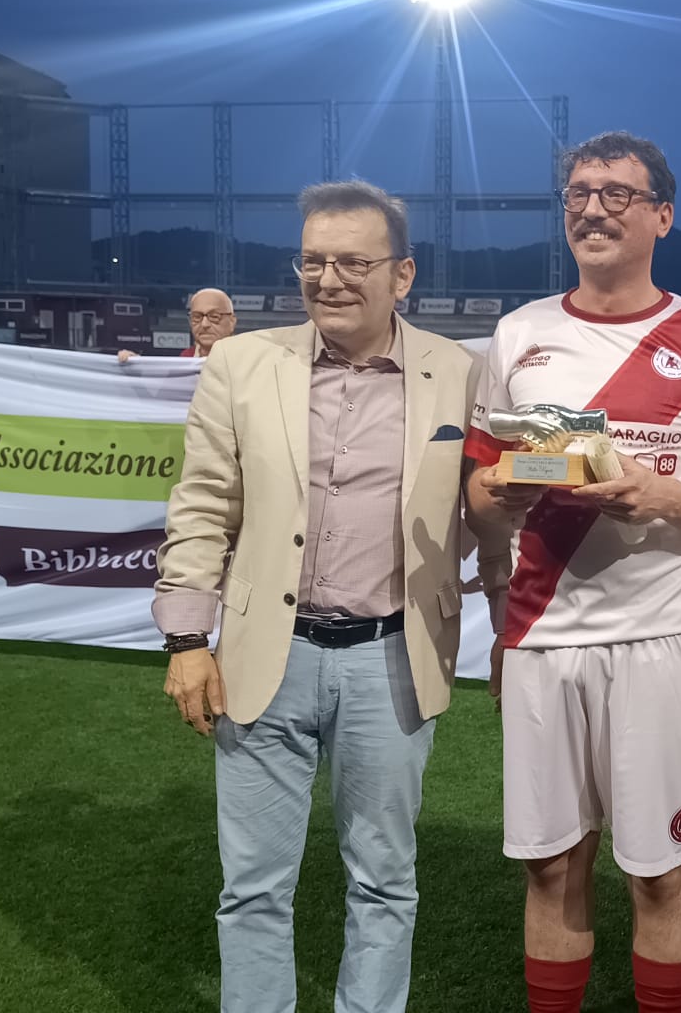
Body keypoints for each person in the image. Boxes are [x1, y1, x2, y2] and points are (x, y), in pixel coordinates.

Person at [153, 179, 483, 1013]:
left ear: (402, 274)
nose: (327, 279)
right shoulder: (241, 364)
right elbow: (202, 505)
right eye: (312, 261)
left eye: (352, 263)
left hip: (393, 659)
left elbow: (488, 507)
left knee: (384, 881)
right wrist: (187, 640)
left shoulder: (459, 373)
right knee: (252, 888)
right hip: (265, 654)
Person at [465, 130, 681, 1013]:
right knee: (551, 867)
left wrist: (660, 496)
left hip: (657, 641)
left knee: (658, 873)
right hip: (541, 636)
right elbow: (477, 498)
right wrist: (500, 491)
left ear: (662, 216)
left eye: (618, 194)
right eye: (579, 194)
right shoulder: (518, 334)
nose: (594, 209)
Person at [118, 287, 236, 362]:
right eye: (197, 317)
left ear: (232, 322)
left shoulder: (245, 360)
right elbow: (162, 389)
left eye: (214, 317)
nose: (204, 324)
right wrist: (138, 366)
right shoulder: (186, 357)